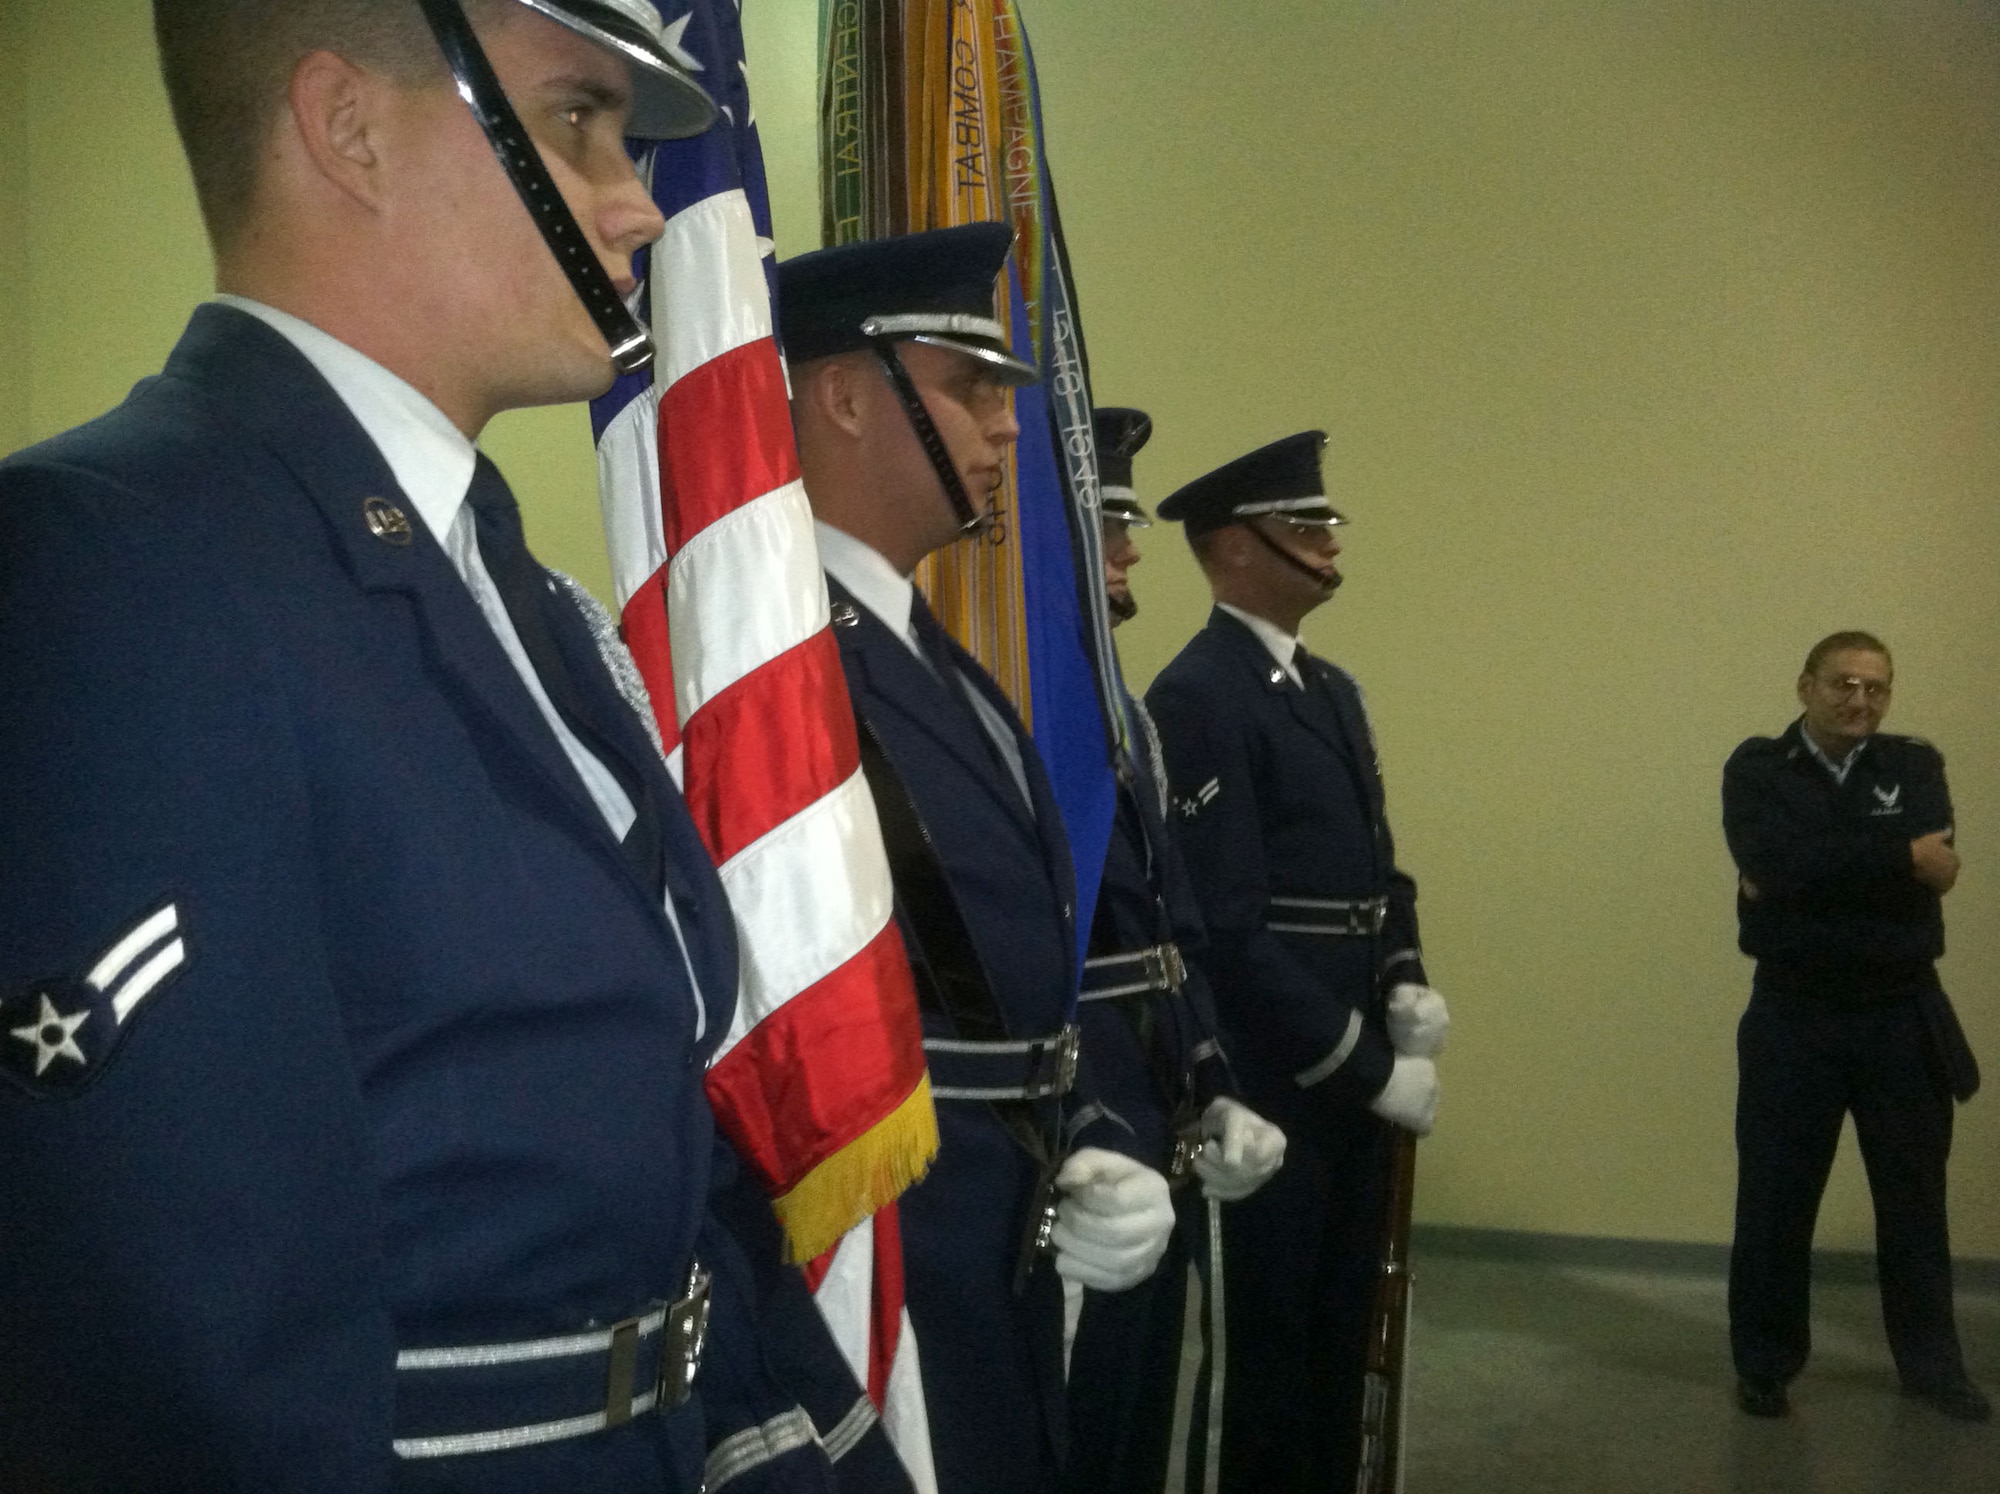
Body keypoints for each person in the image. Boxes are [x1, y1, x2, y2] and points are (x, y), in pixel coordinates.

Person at [0, 3, 849, 1489]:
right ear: (348, 126)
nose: (639, 198)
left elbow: (648, 1101)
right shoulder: (113, 562)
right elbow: (189, 1333)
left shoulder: (504, 583)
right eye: (578, 122)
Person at [777, 225, 1179, 1494]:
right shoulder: (776, 674)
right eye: (968, 390)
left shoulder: (933, 660)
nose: (1006, 432)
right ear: (846, 395)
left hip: (997, 1220)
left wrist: (1093, 1124)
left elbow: (1008, 969)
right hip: (891, 1257)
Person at [1144, 431, 1447, 1493]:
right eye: (1302, 523)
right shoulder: (1199, 695)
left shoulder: (1328, 689)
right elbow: (1223, 927)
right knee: (1260, 1361)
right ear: (1233, 547)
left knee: (1337, 1332)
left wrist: (1403, 971)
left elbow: (1378, 868)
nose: (1326, 541)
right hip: (1278, 1078)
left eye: (1327, 522)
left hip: (1352, 1057)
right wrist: (1366, 1064)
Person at [1062, 407, 1286, 1494]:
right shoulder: (1018, 703)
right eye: (1107, 521)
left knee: (1143, 1407)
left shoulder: (1119, 707)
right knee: (1076, 1411)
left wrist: (1211, 1081)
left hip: (1156, 1098)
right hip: (1078, 1115)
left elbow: (1175, 928)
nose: (1130, 548)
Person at [1723, 630, 1988, 1422]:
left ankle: (1933, 1368)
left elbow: (1924, 871)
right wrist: (1895, 858)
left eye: (1877, 687)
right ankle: (1765, 1365)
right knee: (1775, 1199)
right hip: (1792, 1016)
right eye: (1843, 684)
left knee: (1914, 1203)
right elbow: (1776, 864)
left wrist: (1812, 871)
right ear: (1805, 686)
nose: (1860, 701)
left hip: (1900, 1017)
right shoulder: (1757, 768)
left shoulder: (1915, 765)